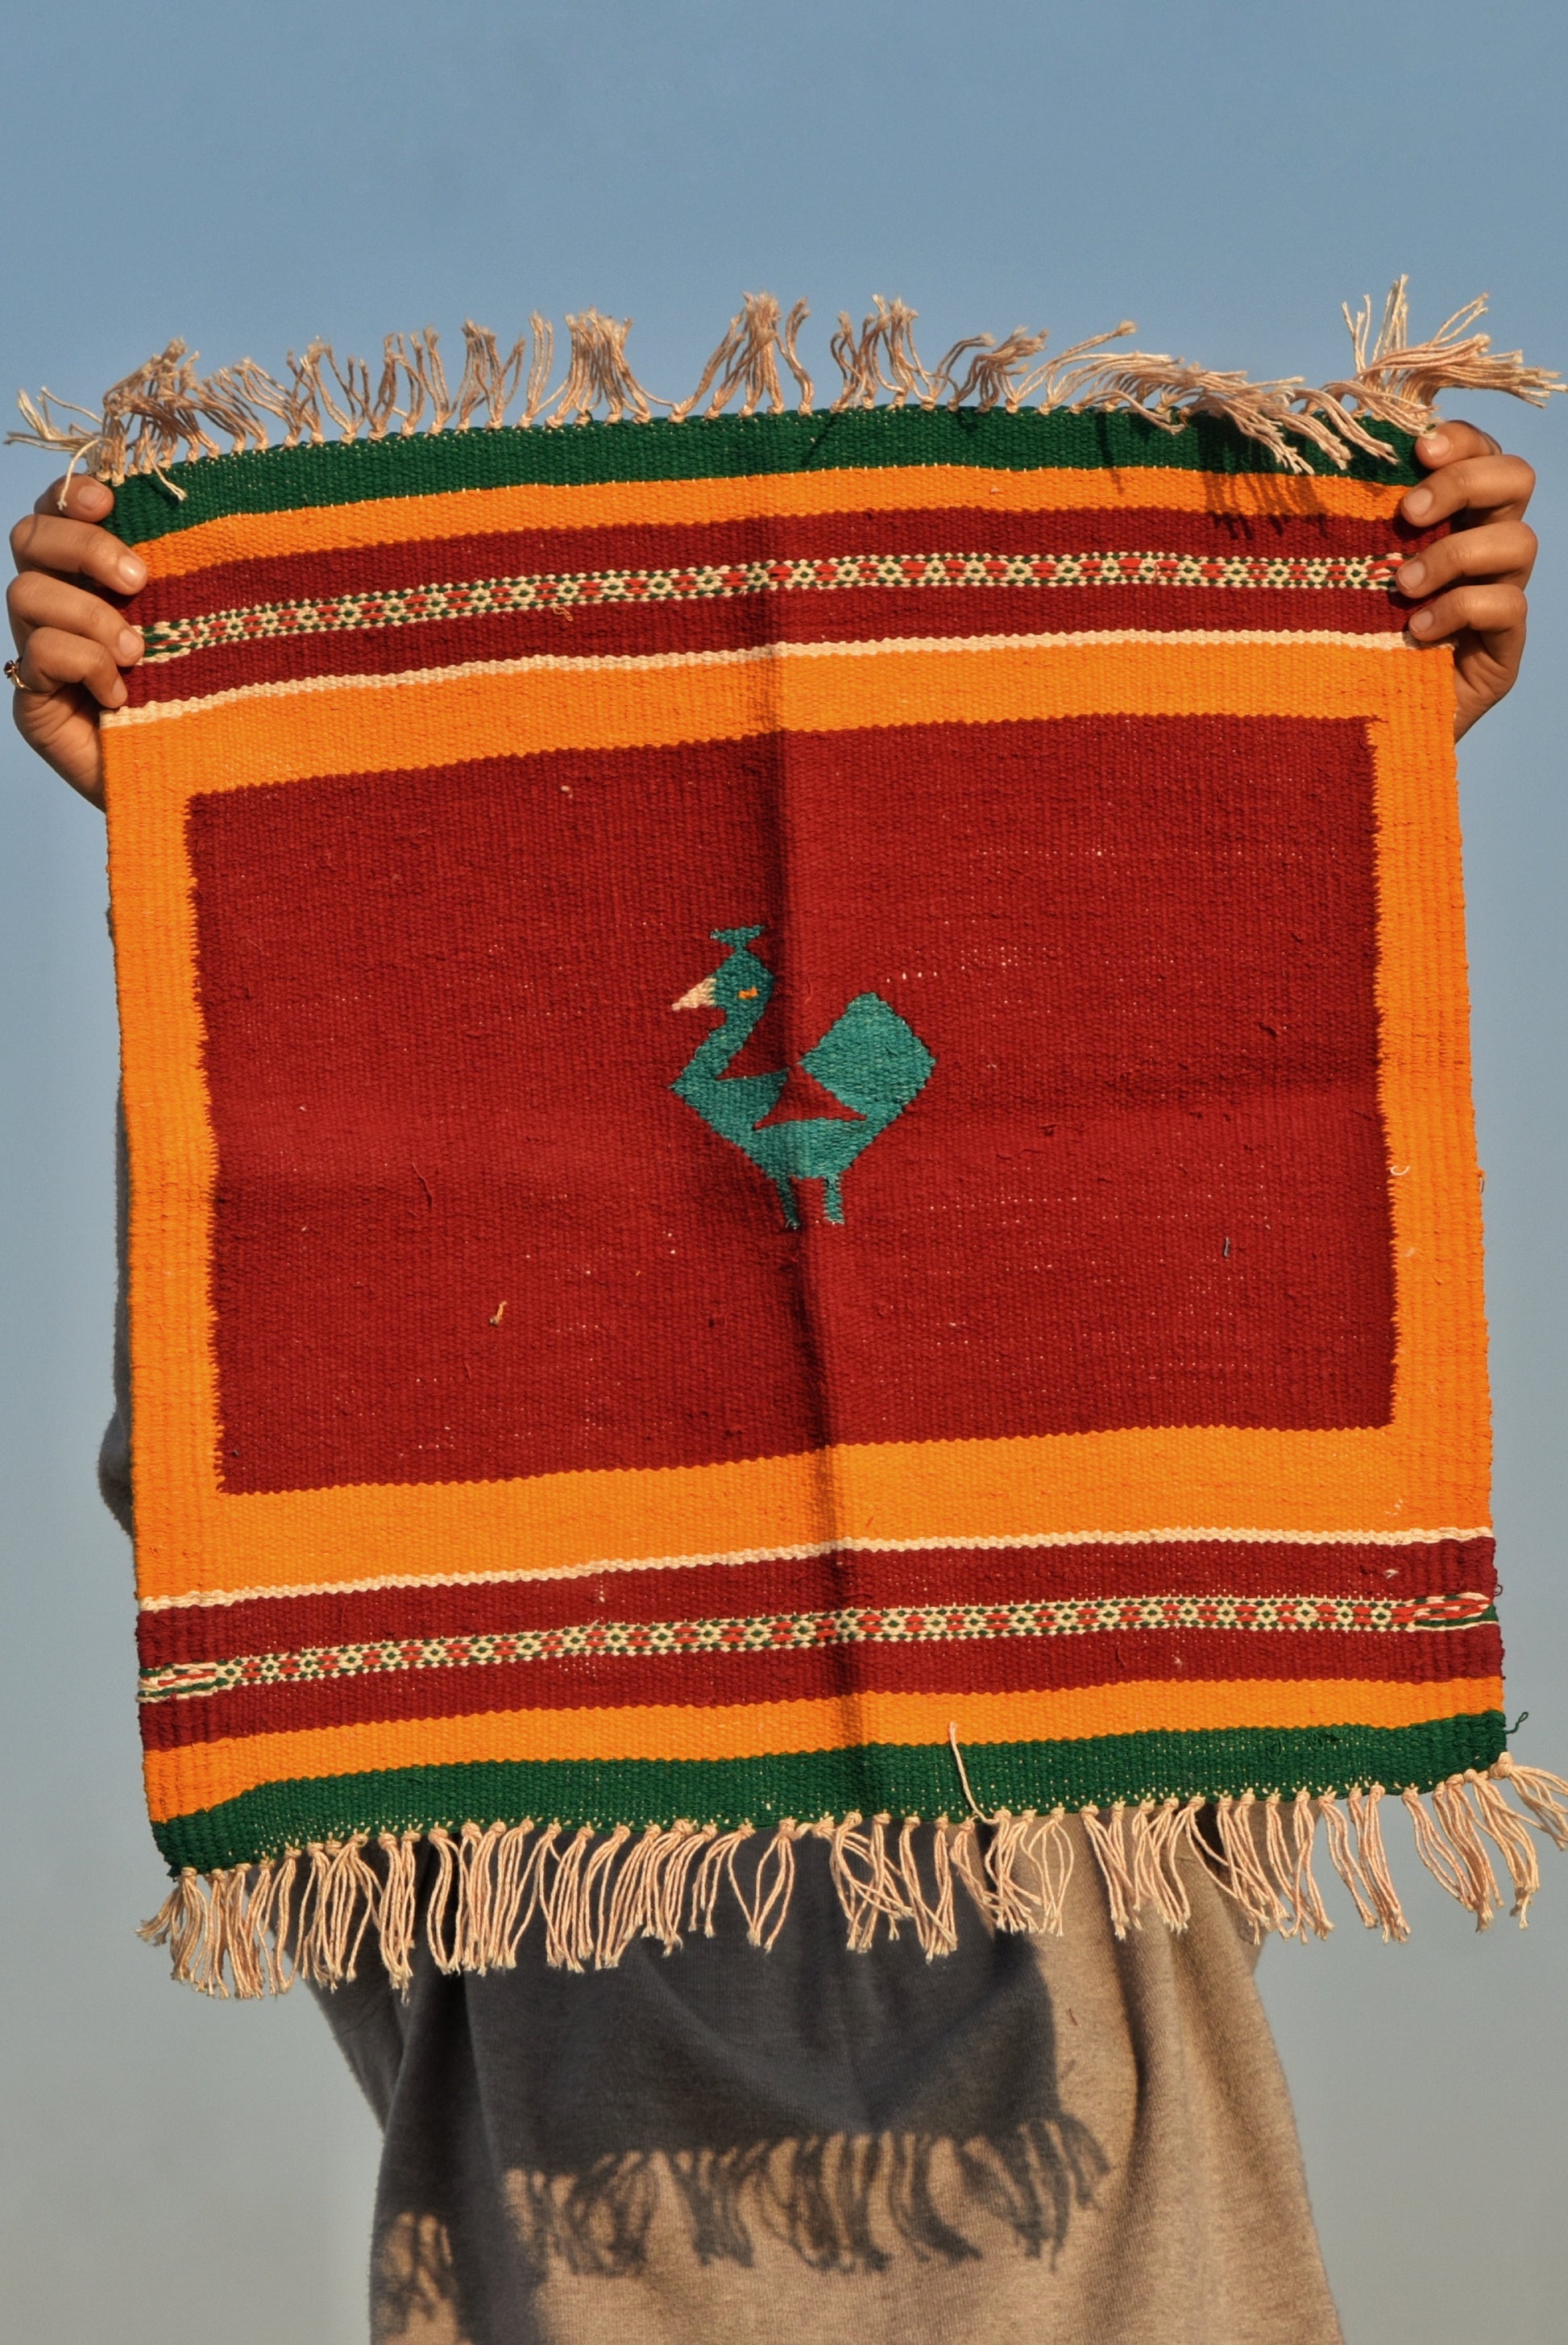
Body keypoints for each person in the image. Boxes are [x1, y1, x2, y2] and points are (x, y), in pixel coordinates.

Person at [6, 422, 1541, 2345]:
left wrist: (1343, 730)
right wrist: (190, 829)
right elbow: (255, 1388)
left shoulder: (1080, 1703)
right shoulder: (462, 1785)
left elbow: (1213, 1253)